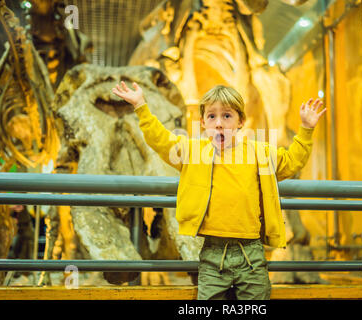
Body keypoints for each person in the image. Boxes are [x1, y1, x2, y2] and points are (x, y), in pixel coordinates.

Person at [112, 81, 325, 300]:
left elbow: (291, 162)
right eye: (212, 117)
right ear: (203, 122)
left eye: (227, 116)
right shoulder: (193, 151)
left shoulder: (259, 153)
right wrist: (141, 106)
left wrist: (306, 129)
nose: (219, 124)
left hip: (251, 253)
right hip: (212, 253)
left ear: (241, 121)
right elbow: (162, 141)